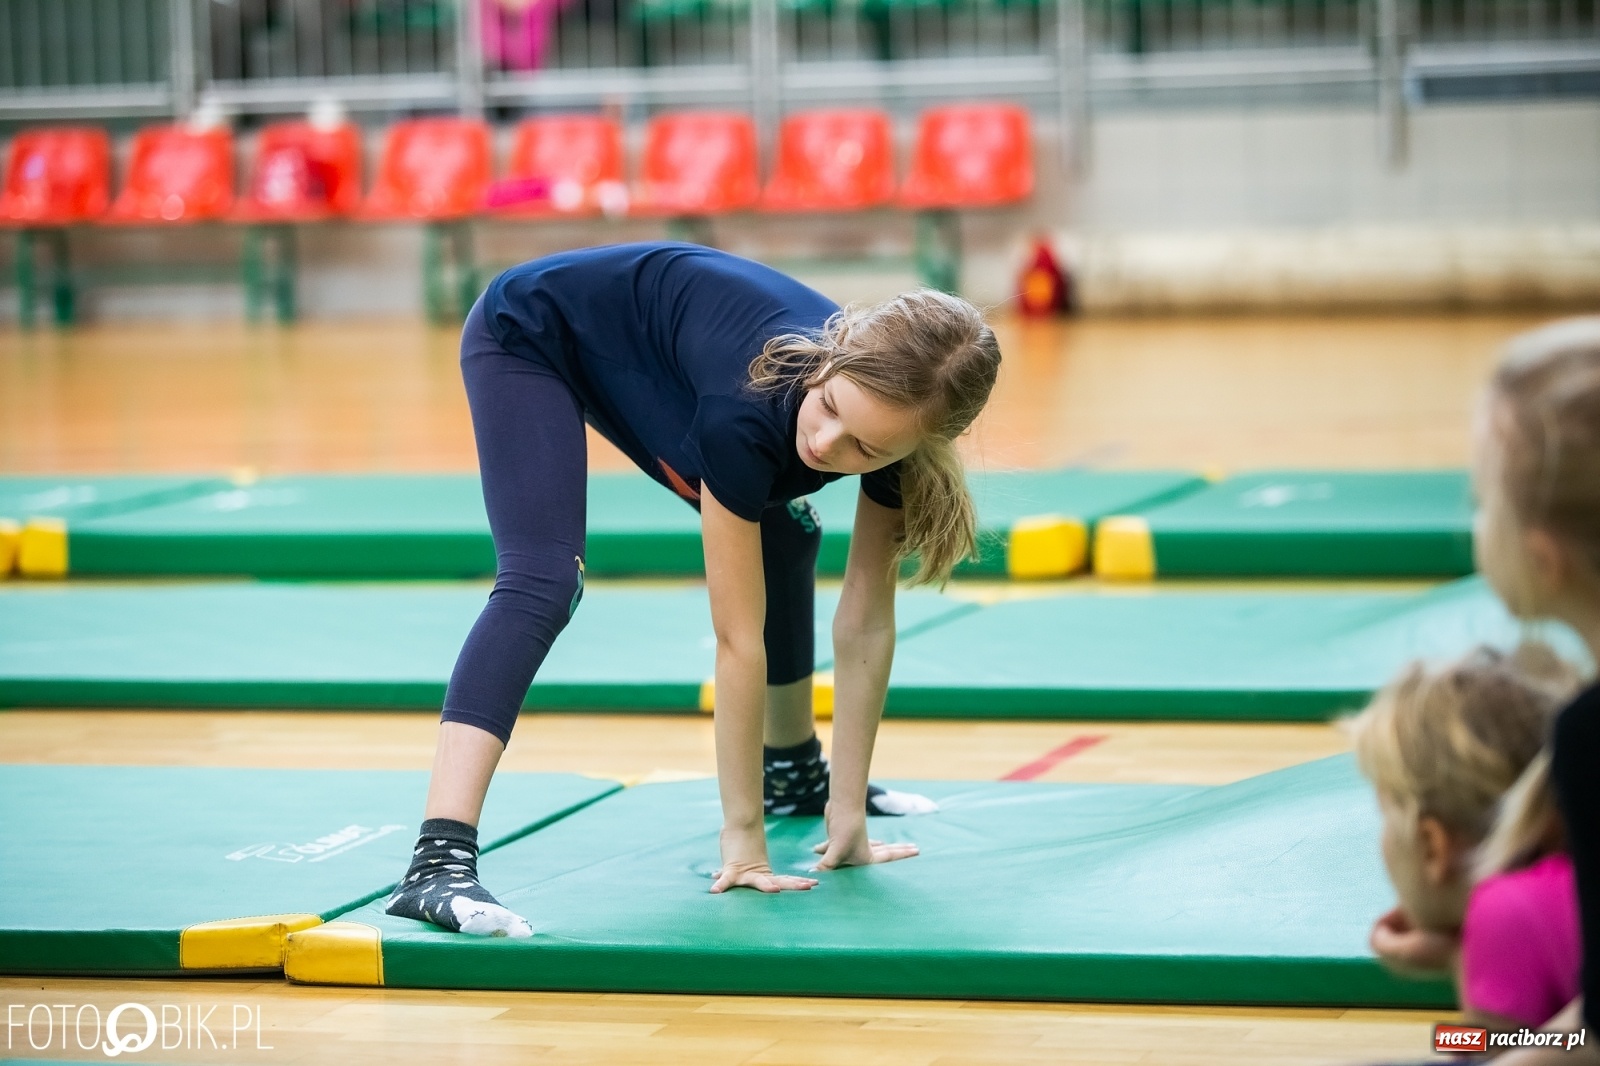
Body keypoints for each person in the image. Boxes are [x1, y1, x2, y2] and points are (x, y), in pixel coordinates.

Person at [384, 242, 1001, 936]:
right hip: (531, 329)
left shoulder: (895, 416)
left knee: (787, 530)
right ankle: (435, 860)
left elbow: (865, 623)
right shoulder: (749, 409)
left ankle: (796, 774)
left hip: (647, 352)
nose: (829, 445)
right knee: (544, 577)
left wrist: (848, 814)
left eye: (866, 449)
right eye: (829, 406)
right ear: (834, 356)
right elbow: (739, 643)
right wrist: (742, 839)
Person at [1470, 317, 1600, 1064]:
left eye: (1483, 500)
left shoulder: (1589, 739)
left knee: (1449, 1042)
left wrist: (1496, 1048)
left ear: (1544, 556)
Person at [1349, 643, 1581, 1031]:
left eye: (1384, 818)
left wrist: (1459, 963)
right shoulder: (1564, 876)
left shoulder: (1503, 914)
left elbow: (1496, 1050)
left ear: (1432, 845)